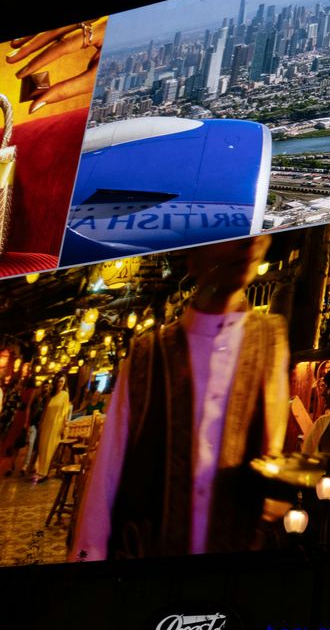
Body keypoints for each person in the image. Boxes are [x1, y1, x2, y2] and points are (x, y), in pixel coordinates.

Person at [70, 235, 290, 560]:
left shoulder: (271, 340)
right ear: (193, 256)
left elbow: (271, 454)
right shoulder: (147, 354)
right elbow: (108, 473)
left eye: (260, 232)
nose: (251, 243)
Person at [33, 375, 70, 480]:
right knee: (43, 447)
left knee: (50, 448)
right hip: (46, 424)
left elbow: (65, 412)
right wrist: (41, 423)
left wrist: (64, 426)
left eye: (62, 381)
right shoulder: (52, 395)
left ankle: (45, 473)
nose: (60, 383)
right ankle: (40, 470)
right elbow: (45, 410)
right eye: (59, 381)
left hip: (56, 425)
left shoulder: (65, 395)